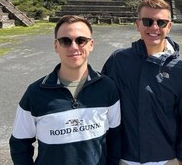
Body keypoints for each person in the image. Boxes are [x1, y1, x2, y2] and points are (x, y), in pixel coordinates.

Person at [9, 15, 121, 165]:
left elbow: (115, 137)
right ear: (56, 46)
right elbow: (19, 144)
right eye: (65, 41)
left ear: (91, 44)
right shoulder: (35, 92)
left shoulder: (107, 87)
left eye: (81, 40)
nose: (74, 47)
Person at [102, 0, 182, 165]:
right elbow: (102, 106)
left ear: (169, 26)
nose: (154, 27)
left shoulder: (180, 69)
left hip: (166, 159)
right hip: (125, 158)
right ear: (138, 24)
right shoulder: (118, 61)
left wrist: (180, 158)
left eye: (161, 22)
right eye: (147, 21)